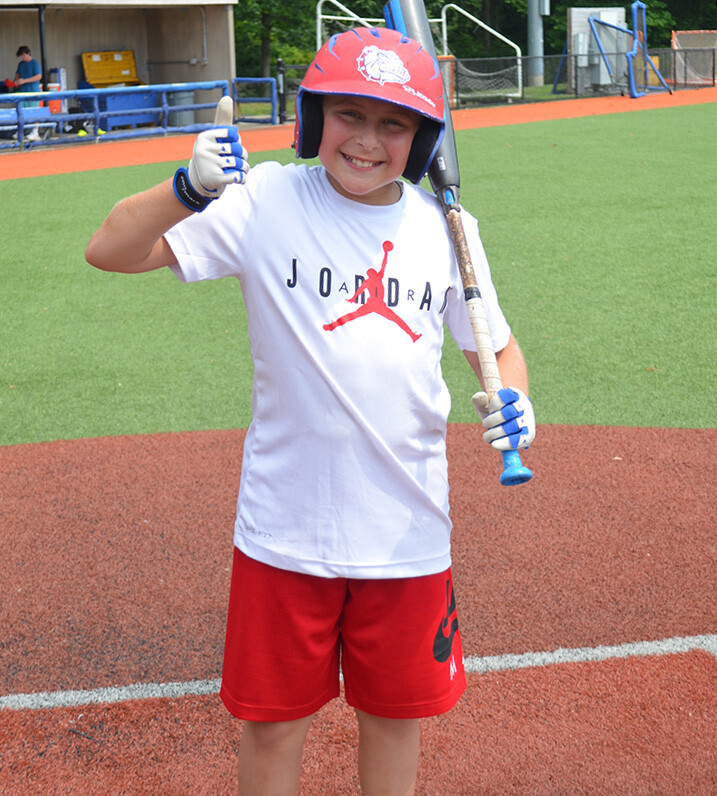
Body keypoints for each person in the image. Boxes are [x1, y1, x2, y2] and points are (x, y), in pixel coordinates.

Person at [85, 26, 535, 795]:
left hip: (406, 527)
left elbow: (496, 349)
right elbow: (111, 249)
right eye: (348, 115)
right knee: (271, 723)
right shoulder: (263, 199)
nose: (366, 140)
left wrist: (518, 399)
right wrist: (186, 191)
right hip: (284, 529)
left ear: (422, 138)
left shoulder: (447, 230)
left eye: (391, 123)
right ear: (313, 118)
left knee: (395, 718)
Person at [13, 45, 42, 140]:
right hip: (22, 92)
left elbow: (38, 76)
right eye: (21, 56)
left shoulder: (34, 63)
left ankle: (35, 131)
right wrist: (15, 82)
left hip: (32, 91)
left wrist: (24, 80)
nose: (23, 57)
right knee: (22, 112)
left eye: (24, 55)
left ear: (28, 53)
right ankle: (21, 131)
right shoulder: (21, 64)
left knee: (34, 112)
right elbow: (17, 75)